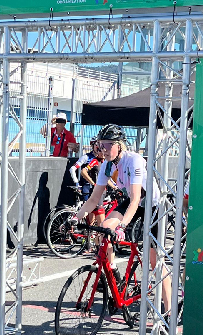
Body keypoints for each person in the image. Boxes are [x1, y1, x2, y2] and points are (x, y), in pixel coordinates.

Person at [74, 124, 172, 316]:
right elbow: (94, 199)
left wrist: (123, 226)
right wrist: (76, 216)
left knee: (155, 261)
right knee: (105, 226)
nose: (104, 149)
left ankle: (169, 311)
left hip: (152, 205)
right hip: (132, 201)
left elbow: (136, 198)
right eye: (101, 145)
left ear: (119, 145)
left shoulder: (133, 160)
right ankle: (115, 276)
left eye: (108, 145)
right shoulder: (107, 165)